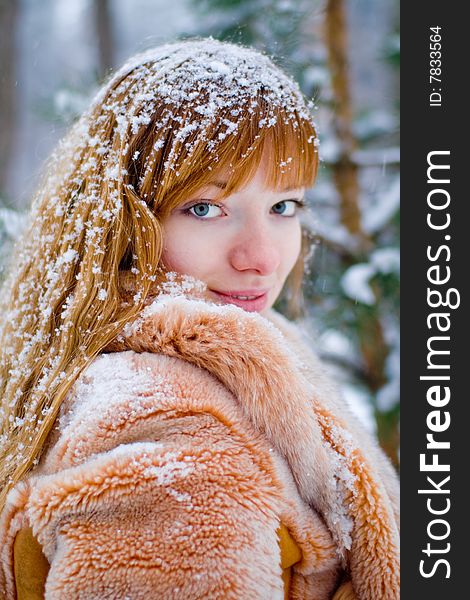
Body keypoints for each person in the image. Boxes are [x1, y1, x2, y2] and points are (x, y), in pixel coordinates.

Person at [0, 38, 399, 599]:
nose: (261, 257)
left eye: (284, 206)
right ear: (120, 218)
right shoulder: (180, 445)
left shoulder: (129, 364)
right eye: (206, 208)